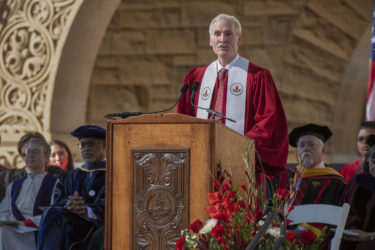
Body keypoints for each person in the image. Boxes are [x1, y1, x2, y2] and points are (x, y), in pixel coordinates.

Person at [177, 13, 288, 178]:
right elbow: (184, 120)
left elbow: (268, 123)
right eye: (217, 34)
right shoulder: (196, 78)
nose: (222, 39)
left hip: (241, 168)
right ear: (210, 41)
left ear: (239, 39)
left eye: (228, 34)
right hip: (202, 167)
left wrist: (233, 147)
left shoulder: (257, 77)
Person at [37, 125, 106, 250]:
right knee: (52, 213)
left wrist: (86, 210)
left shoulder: (114, 175)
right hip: (71, 222)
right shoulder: (72, 176)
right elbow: (58, 197)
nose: (86, 148)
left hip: (98, 226)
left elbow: (113, 205)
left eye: (91, 144)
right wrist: (69, 204)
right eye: (82, 145)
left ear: (106, 146)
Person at [0, 137, 58, 249]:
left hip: (36, 232)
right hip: (12, 228)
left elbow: (54, 213)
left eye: (36, 151)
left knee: (3, 231)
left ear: (46, 157)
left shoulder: (55, 184)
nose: (31, 155)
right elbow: (3, 211)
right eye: (28, 152)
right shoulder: (14, 185)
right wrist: (6, 221)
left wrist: (25, 223)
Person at [274, 124, 346, 206]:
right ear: (298, 151)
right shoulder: (285, 176)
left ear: (323, 150)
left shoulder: (334, 181)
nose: (305, 148)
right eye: (301, 145)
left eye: (311, 144)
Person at [339, 146, 375, 249]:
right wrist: (350, 228)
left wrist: (370, 236)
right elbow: (344, 209)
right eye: (373, 162)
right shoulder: (357, 182)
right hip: (352, 237)